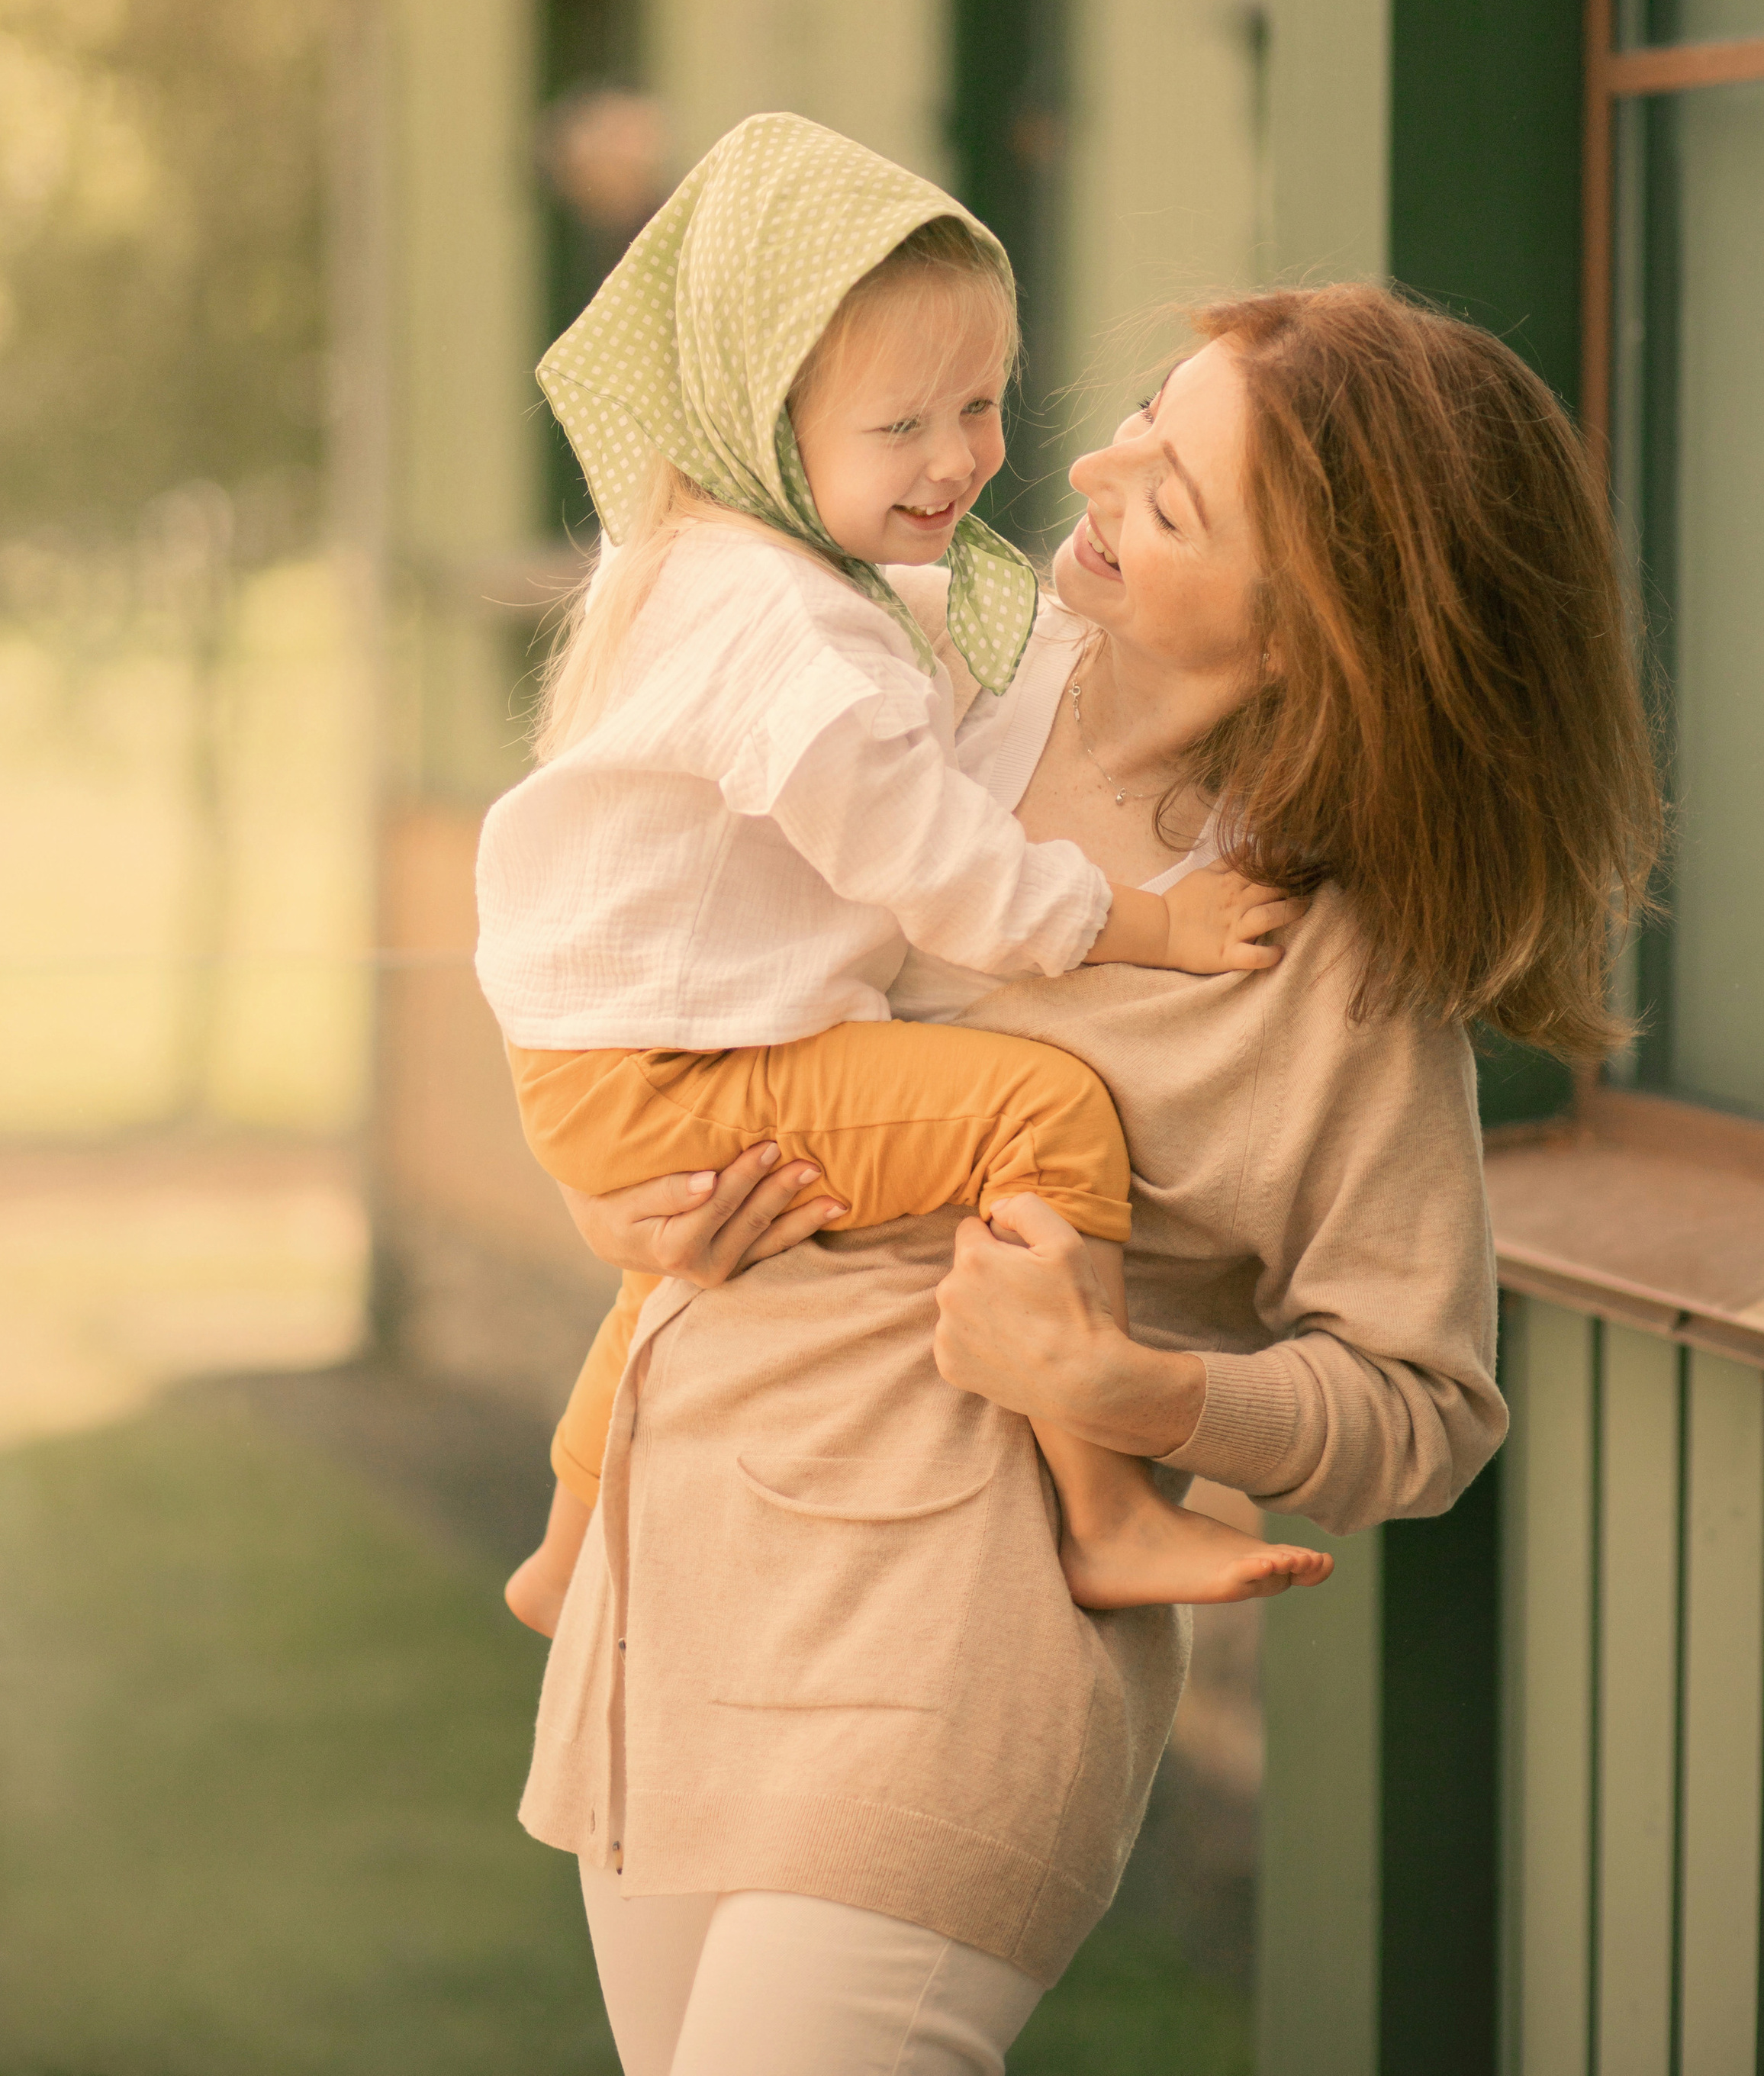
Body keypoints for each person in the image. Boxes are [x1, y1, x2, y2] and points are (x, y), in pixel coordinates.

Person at [520, 283, 1661, 2076]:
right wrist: (624, 1205)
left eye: (1171, 496)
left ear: (1310, 631)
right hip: (678, 1579)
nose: (1078, 465)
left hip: (954, 1655)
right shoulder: (910, 672)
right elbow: (637, 984)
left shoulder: (1324, 969)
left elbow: (1420, 1405)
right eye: (1141, 411)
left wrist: (1131, 1390)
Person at [478, 111, 1325, 1635]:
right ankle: (1107, 1507)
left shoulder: (731, 565)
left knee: (658, 1276)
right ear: (769, 420)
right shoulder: (798, 644)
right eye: (899, 429)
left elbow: (933, 633)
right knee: (1038, 1108)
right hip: (661, 1069)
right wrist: (1153, 923)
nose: (959, 461)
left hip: (604, 1060)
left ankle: (563, 1545)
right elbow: (950, 877)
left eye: (981, 403)